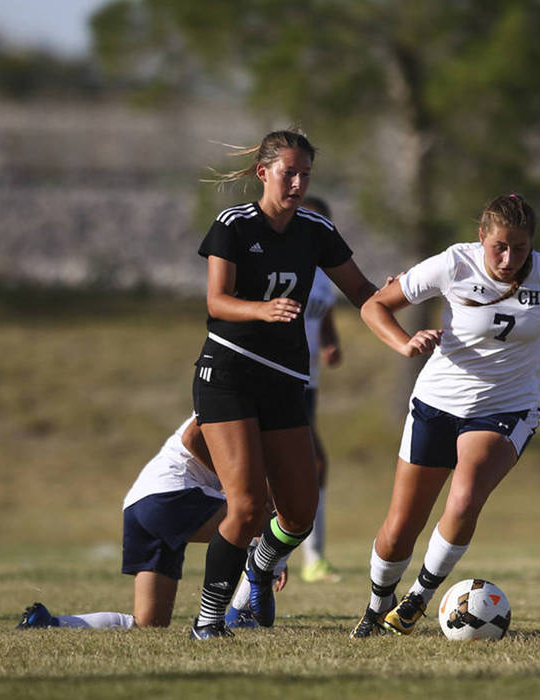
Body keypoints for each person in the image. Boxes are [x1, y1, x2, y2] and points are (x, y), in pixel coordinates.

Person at [349, 193, 540, 638]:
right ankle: (376, 606)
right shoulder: (453, 264)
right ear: (481, 237)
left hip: (506, 408)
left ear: (532, 245)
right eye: (499, 247)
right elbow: (375, 305)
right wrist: (404, 343)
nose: (508, 258)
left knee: (465, 498)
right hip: (435, 403)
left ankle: (418, 599)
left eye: (519, 248)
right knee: (401, 526)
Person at [189, 129, 378, 639]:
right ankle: (209, 621)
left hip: (285, 381)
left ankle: (260, 566)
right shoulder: (233, 224)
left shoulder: (316, 230)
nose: (297, 182)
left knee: (299, 512)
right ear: (263, 172)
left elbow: (361, 290)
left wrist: (409, 299)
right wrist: (262, 310)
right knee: (248, 505)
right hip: (228, 373)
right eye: (288, 172)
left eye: (305, 174)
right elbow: (217, 301)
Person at [15, 416, 286, 631]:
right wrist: (273, 556)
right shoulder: (241, 400)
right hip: (172, 495)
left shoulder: (250, 406)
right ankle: (240, 614)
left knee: (149, 623)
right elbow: (192, 438)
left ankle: (48, 623)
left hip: (140, 504)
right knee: (278, 524)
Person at [297, 195, 344, 584]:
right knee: (311, 463)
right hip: (279, 378)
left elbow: (324, 317)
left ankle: (309, 559)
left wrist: (331, 343)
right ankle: (306, 559)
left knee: (308, 465)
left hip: (308, 382)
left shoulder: (324, 276)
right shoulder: (279, 267)